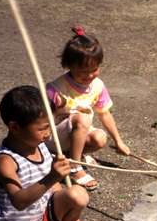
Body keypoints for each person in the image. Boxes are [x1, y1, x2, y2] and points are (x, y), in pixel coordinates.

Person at [0, 85, 93, 221]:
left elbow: (55, 189)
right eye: (42, 128)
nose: (48, 134)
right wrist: (52, 177)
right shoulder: (5, 161)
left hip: (43, 216)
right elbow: (19, 201)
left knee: (78, 193)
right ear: (14, 127)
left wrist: (69, 217)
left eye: (50, 126)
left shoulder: (40, 146)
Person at [46, 25, 131, 190]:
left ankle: (72, 156)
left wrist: (119, 141)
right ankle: (75, 168)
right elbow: (40, 121)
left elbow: (104, 114)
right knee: (82, 118)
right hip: (53, 137)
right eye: (83, 71)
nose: (90, 75)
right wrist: (58, 110)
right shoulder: (56, 89)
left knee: (100, 138)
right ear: (69, 65)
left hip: (76, 133)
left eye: (95, 69)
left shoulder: (97, 86)